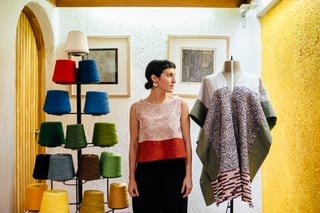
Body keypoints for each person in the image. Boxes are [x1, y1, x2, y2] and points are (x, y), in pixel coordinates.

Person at [128, 59, 193, 213]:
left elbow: (186, 142)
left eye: (174, 75)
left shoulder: (180, 104)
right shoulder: (137, 108)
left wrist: (188, 175)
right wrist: (131, 179)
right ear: (154, 78)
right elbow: (133, 144)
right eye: (169, 75)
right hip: (146, 173)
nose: (174, 80)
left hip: (175, 172)